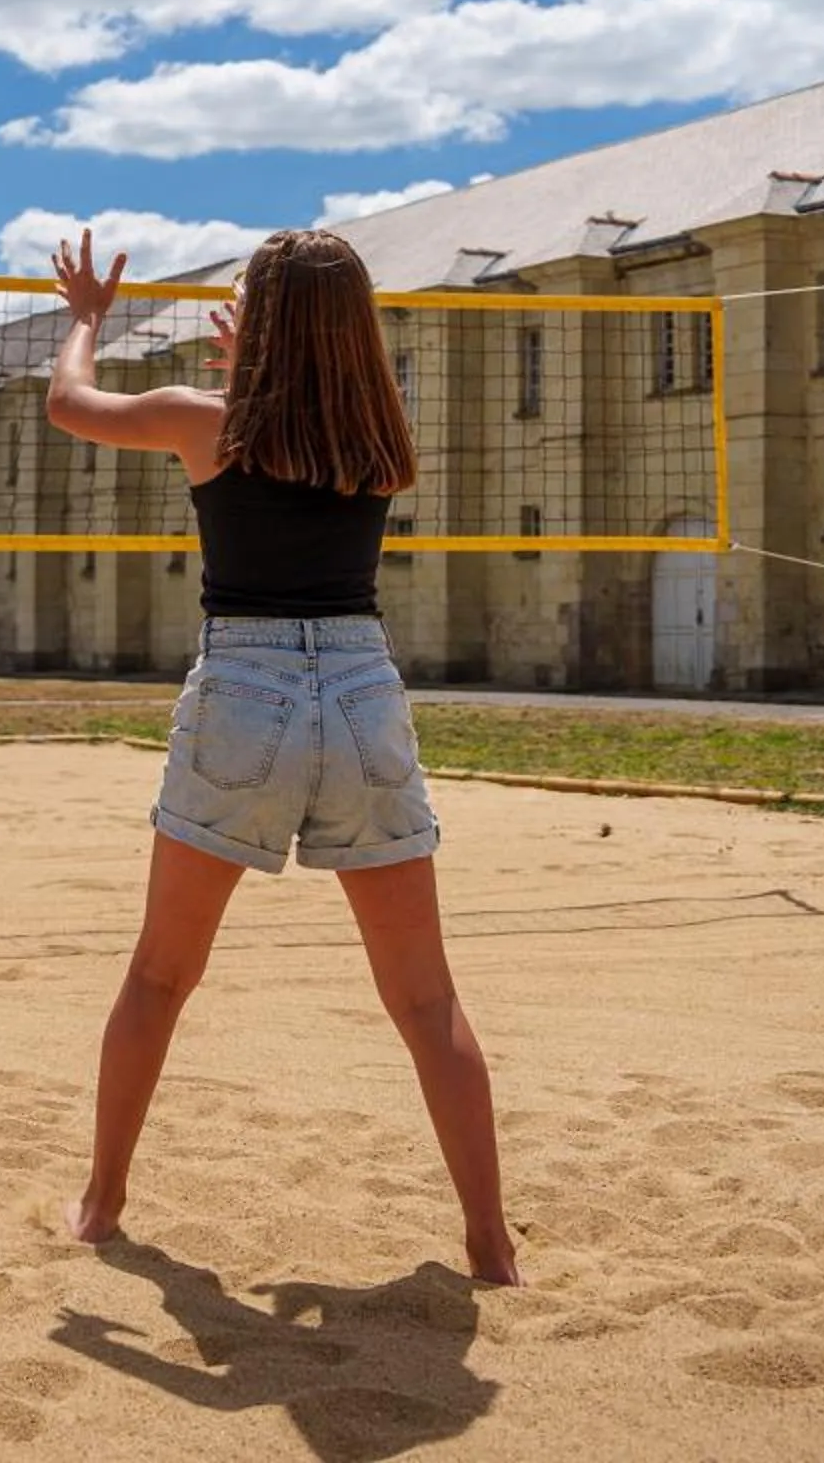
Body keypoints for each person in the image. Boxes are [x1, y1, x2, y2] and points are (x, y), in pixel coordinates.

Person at [44, 227, 519, 1287]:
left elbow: (70, 404)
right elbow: (309, 409)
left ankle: (102, 1202)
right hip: (360, 690)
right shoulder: (383, 440)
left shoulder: (200, 421)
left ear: (253, 325)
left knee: (162, 974)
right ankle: (492, 1242)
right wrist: (277, 360)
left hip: (247, 693)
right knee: (428, 1001)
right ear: (357, 332)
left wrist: (85, 318)